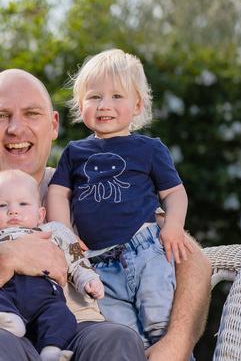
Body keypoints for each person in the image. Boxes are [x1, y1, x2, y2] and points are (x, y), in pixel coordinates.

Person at [0, 68, 211, 361]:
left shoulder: (90, 190)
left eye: (32, 114)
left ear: (53, 125)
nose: (16, 128)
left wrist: (176, 342)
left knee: (116, 337)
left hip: (79, 330)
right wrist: (4, 260)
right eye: (1, 116)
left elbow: (191, 259)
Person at [47, 48, 190, 349]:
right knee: (124, 339)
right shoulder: (75, 152)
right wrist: (66, 236)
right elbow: (58, 193)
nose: (104, 105)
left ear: (137, 105)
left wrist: (173, 226)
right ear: (81, 105)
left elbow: (174, 193)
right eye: (94, 97)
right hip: (98, 265)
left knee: (161, 327)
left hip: (147, 252)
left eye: (116, 97)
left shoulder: (149, 148)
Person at [0, 169, 103, 361]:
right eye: (2, 205)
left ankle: (51, 350)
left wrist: (88, 279)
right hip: (3, 291)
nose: (13, 210)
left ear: (40, 214)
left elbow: (76, 258)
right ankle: (7, 320)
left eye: (23, 204)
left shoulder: (52, 231)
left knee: (61, 316)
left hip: (45, 294)